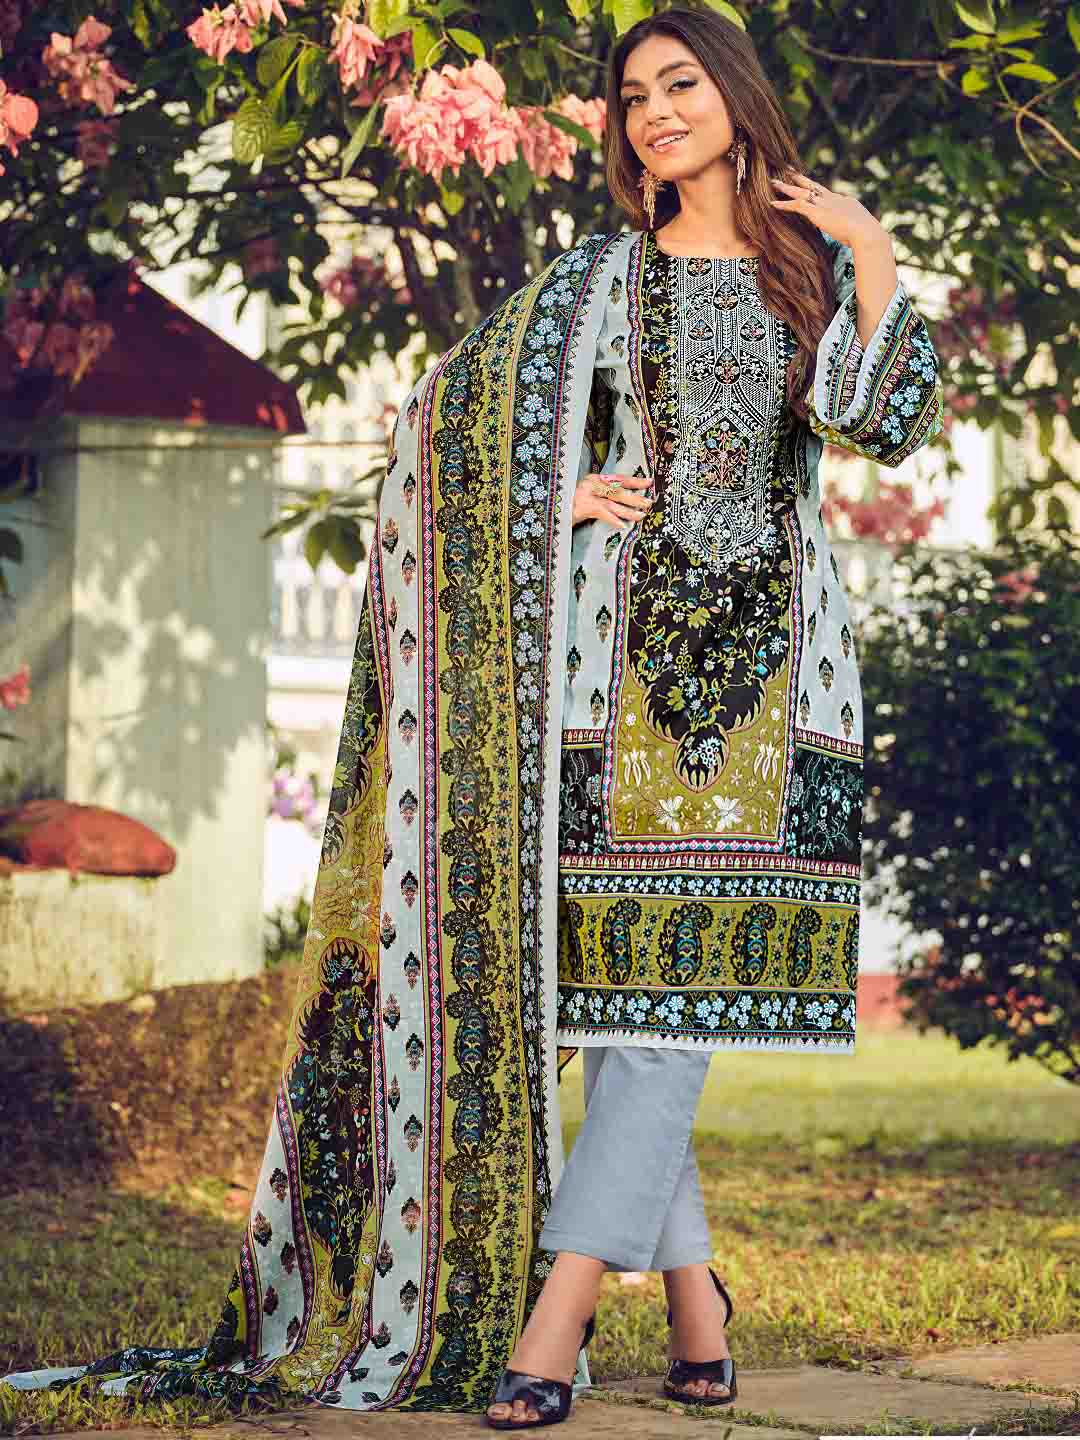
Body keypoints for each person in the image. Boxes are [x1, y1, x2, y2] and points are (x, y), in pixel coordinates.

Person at [1, 5, 942, 1432]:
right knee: (619, 1001)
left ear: (737, 98)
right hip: (607, 688)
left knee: (664, 1013)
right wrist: (555, 500)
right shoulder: (598, 284)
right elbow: (441, 428)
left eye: (681, 84)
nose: (655, 113)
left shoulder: (810, 276)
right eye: (633, 96)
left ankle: (556, 1326)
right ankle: (694, 1306)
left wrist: (871, 256)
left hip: (774, 692)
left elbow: (881, 424)